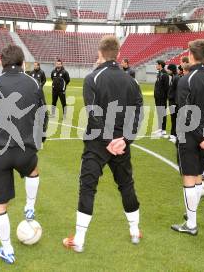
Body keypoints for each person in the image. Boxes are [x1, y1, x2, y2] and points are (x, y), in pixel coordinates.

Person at [63, 36, 143, 252]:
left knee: (87, 187)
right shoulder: (132, 81)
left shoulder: (93, 78)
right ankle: (135, 231)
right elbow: (137, 115)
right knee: (126, 184)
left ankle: (79, 240)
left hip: (98, 143)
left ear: (100, 53)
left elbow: (93, 113)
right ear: (117, 54)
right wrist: (125, 140)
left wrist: (109, 140)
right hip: (121, 144)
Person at [0, 45, 48, 264]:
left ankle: (7, 249)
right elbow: (42, 114)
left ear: (0, 63)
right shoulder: (34, 82)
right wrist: (40, 140)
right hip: (25, 149)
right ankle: (29, 207)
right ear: (23, 63)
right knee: (33, 170)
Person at [171, 39, 204, 235]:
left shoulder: (187, 79)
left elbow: (185, 113)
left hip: (191, 136)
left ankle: (191, 223)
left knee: (189, 177)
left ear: (191, 55)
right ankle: (191, 214)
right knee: (196, 177)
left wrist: (202, 136)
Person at [152, 60, 169, 137]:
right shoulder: (159, 73)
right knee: (159, 113)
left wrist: (163, 97)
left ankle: (164, 130)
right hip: (158, 97)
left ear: (160, 65)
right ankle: (160, 128)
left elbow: (166, 87)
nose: (156, 66)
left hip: (162, 98)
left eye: (157, 64)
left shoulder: (164, 74)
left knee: (162, 113)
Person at [167, 63, 179, 143]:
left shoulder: (176, 78)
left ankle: (175, 135)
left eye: (168, 69)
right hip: (171, 101)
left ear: (172, 70)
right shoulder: (173, 77)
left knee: (175, 119)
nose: (167, 71)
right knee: (172, 118)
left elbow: (177, 91)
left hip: (174, 102)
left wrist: (175, 102)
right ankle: (172, 134)